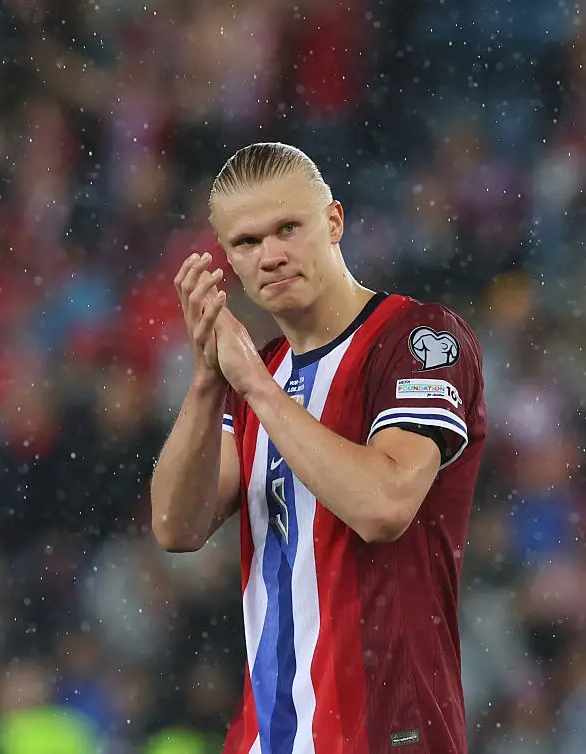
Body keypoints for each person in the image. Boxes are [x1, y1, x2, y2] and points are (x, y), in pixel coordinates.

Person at [150, 142, 486, 754]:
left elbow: (383, 506)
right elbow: (176, 525)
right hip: (268, 736)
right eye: (247, 243)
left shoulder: (417, 337)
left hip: (386, 731)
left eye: (288, 228)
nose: (271, 256)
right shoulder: (256, 373)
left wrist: (252, 385)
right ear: (227, 259)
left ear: (333, 222)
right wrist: (205, 383)